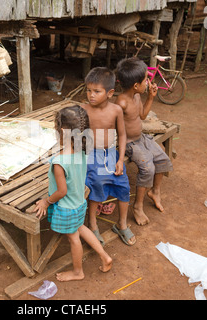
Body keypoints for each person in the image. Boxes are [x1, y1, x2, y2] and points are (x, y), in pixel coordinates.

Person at [34, 105, 113, 282]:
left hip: (67, 207)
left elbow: (61, 191)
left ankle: (78, 272)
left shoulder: (59, 162)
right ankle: (104, 256)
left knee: (74, 238)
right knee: (80, 228)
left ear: (62, 131)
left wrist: (46, 201)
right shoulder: (82, 151)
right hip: (79, 202)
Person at [115, 57, 173, 226]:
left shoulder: (137, 96)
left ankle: (155, 191)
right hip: (130, 144)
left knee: (163, 158)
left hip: (142, 138)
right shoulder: (122, 102)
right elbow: (115, 127)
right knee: (148, 169)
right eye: (145, 80)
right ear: (135, 85)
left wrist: (151, 97)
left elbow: (142, 116)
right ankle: (138, 207)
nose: (148, 82)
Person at [81, 67, 136, 246]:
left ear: (110, 92)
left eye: (97, 91)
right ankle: (93, 225)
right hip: (91, 155)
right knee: (96, 183)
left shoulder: (116, 111)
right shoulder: (83, 110)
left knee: (123, 185)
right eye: (88, 90)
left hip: (111, 153)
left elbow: (121, 135)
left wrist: (120, 160)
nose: (91, 95)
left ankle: (121, 224)